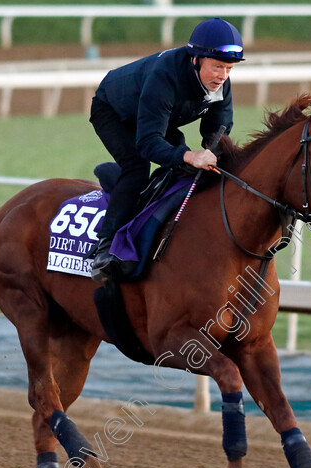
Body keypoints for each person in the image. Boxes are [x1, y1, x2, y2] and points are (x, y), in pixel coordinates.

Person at [88, 17, 245, 282]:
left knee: (184, 169)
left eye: (229, 68)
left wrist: (213, 154)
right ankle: (105, 248)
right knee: (137, 168)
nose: (223, 76)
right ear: (196, 60)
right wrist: (189, 155)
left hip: (160, 115)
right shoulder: (165, 75)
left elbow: (218, 129)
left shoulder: (221, 83)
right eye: (218, 66)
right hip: (115, 112)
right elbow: (148, 142)